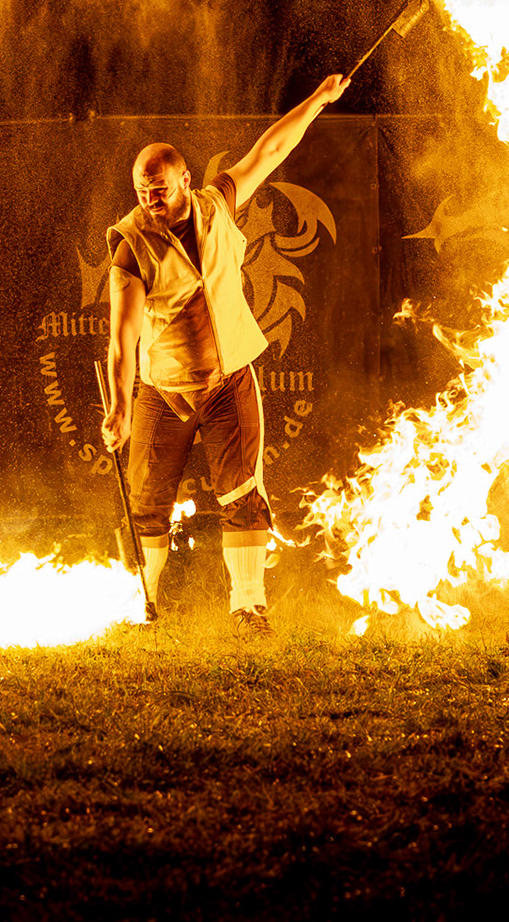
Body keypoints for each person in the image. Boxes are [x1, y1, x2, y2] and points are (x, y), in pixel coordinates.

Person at [101, 74, 349, 636]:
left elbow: (271, 149)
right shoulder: (130, 245)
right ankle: (140, 609)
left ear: (186, 181)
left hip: (229, 380)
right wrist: (117, 406)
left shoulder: (219, 204)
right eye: (142, 192)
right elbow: (122, 340)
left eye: (160, 188)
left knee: (242, 493)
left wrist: (318, 99)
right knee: (146, 503)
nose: (151, 200)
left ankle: (248, 608)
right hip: (162, 391)